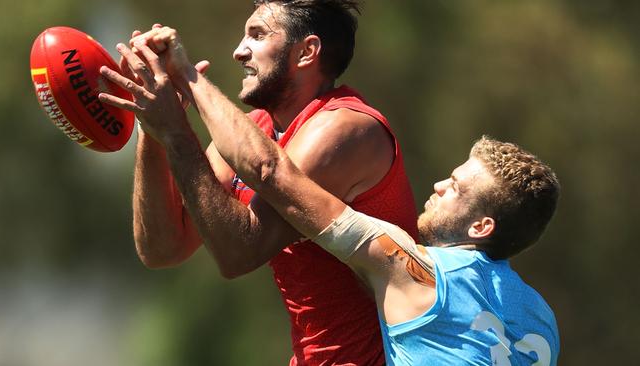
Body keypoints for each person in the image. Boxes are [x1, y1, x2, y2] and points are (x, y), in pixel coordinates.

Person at [99, 30, 561, 364]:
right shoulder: (542, 321)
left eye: (457, 187)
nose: (439, 184)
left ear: (482, 227)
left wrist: (184, 80)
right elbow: (163, 247)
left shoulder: (413, 272)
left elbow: (275, 175)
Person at [101, 1, 418, 365]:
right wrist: (153, 123)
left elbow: (240, 252)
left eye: (257, 35)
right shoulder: (253, 132)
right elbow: (163, 249)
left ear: (306, 52)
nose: (239, 51)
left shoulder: (345, 128)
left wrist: (178, 116)